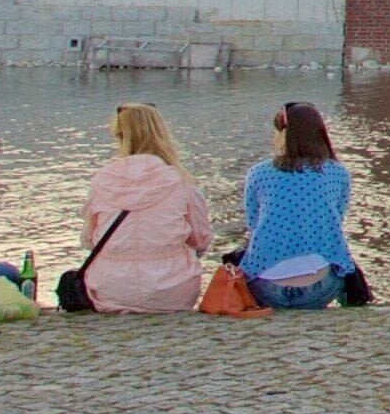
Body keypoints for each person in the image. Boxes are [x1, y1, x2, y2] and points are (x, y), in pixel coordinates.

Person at [79, 103, 216, 314]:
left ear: (119, 137)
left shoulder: (101, 181)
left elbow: (88, 240)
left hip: (110, 290)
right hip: (171, 292)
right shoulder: (181, 181)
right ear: (162, 133)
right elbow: (201, 240)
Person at [240, 101, 361, 310]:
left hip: (266, 289)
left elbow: (254, 223)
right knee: (342, 262)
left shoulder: (258, 173)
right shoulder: (338, 173)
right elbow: (335, 222)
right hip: (320, 289)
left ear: (287, 135)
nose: (274, 138)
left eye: (278, 131)